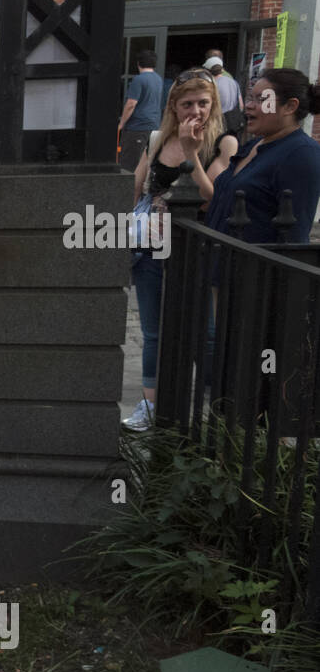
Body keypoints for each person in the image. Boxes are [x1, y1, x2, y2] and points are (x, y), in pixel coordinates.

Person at [124, 69, 238, 431]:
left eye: (203, 103)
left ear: (213, 104)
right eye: (187, 103)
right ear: (173, 105)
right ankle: (150, 405)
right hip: (151, 246)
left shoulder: (224, 142)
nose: (196, 111)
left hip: (195, 249)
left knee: (203, 330)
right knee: (154, 331)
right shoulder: (157, 139)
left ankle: (214, 409)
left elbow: (212, 195)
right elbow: (137, 187)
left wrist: (192, 152)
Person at [203, 67, 320, 245]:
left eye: (262, 99)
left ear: (290, 106)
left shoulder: (302, 153)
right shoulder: (253, 145)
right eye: (250, 97)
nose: (249, 105)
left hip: (249, 268)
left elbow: (294, 238)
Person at [117, 50, 163, 172]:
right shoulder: (158, 79)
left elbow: (131, 103)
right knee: (146, 163)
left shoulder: (139, 80)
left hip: (137, 126)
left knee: (129, 163)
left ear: (138, 63)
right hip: (154, 125)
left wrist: (121, 124)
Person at [204, 50, 244, 136]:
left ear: (208, 70)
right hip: (233, 124)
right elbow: (241, 105)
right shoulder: (233, 82)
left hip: (216, 124)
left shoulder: (210, 85)